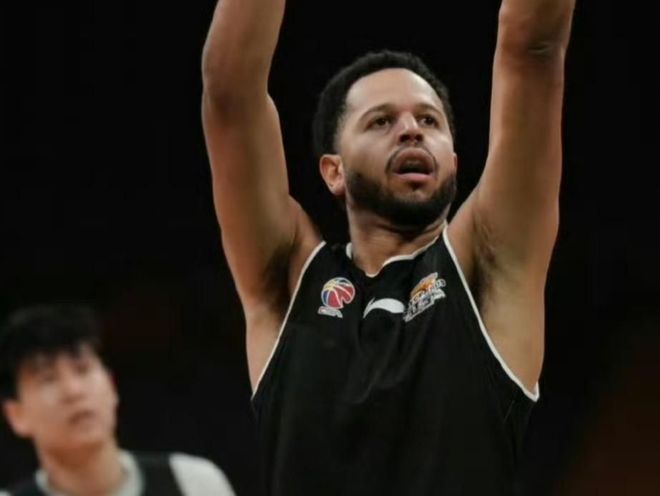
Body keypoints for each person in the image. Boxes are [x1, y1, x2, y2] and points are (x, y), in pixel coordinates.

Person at [201, 0, 575, 493]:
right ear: (334, 171)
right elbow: (230, 92)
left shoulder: (487, 261)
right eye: (381, 121)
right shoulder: (289, 278)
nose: (411, 129)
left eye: (430, 121)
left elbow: (533, 46)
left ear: (454, 162)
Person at [0, 304, 235, 496]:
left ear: (111, 386)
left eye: (82, 369)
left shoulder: (193, 483)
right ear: (16, 415)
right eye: (47, 379)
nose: (73, 391)